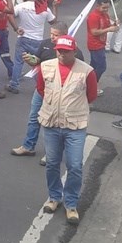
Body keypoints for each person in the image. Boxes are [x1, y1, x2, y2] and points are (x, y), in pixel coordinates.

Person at [36, 35, 97, 225]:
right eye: (59, 50)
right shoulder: (45, 67)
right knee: (52, 163)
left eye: (66, 51)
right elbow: (41, 89)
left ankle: (71, 203)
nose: (62, 54)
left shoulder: (87, 71)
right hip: (52, 123)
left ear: (74, 51)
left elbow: (92, 95)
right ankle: (54, 197)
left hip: (75, 126)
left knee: (75, 166)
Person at [10, 22, 84, 163]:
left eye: (55, 35)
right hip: (41, 89)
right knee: (34, 117)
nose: (52, 37)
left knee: (52, 124)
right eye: (51, 34)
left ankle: (51, 154)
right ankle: (28, 146)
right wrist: (30, 59)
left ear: (65, 35)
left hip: (59, 94)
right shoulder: (44, 44)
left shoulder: (75, 52)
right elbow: (37, 60)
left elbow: (81, 76)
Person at [7, 0, 56, 94]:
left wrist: (16, 28)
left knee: (18, 62)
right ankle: (41, 86)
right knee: (37, 63)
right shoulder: (44, 9)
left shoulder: (21, 6)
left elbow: (9, 14)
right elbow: (53, 22)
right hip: (38, 40)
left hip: (23, 38)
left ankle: (14, 84)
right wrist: (55, 7)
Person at [86, 0, 118, 91]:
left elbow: (107, 26)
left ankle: (88, 83)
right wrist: (109, 29)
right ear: (97, 6)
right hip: (95, 45)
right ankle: (92, 85)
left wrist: (114, 25)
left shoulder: (105, 15)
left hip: (101, 44)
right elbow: (94, 32)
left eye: (107, 8)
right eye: (104, 8)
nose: (106, 10)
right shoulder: (93, 16)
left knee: (93, 66)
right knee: (101, 67)